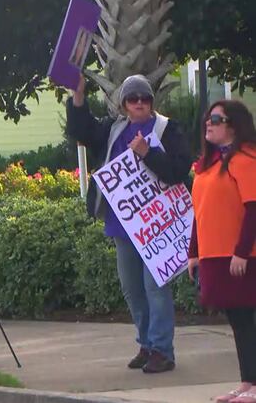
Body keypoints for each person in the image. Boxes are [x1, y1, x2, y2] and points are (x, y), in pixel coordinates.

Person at [66, 74, 191, 373]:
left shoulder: (167, 129)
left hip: (158, 226)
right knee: (132, 288)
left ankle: (162, 349)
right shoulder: (113, 129)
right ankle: (147, 344)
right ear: (123, 104)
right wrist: (79, 95)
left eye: (145, 98)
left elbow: (178, 170)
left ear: (152, 102)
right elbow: (82, 131)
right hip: (123, 225)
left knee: (154, 286)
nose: (139, 104)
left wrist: (148, 154)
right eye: (133, 99)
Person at [188, 100, 256, 403]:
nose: (209, 123)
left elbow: (253, 209)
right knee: (238, 319)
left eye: (217, 119)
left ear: (234, 125)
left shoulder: (246, 158)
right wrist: (194, 252)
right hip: (215, 254)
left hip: (244, 256)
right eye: (208, 118)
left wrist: (242, 251)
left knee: (248, 317)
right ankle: (248, 381)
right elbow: (199, 211)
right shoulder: (210, 164)